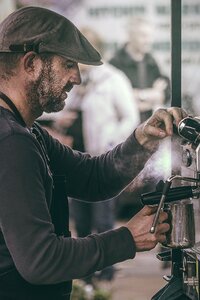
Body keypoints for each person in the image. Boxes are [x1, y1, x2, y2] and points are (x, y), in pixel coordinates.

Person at [0, 6, 187, 300]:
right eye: (67, 64)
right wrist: (126, 239)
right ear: (32, 64)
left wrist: (143, 139)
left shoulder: (29, 134)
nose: (77, 78)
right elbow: (41, 260)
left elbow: (94, 178)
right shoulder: (11, 141)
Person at [54, 27, 140, 284]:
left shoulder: (114, 79)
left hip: (101, 159)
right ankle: (87, 273)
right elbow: (61, 110)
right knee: (79, 220)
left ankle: (108, 270)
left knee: (103, 219)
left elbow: (131, 117)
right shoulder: (74, 81)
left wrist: (111, 141)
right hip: (74, 158)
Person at [109, 17, 170, 123]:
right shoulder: (115, 63)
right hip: (124, 130)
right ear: (130, 36)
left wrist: (140, 96)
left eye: (150, 36)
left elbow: (166, 92)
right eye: (143, 36)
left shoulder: (151, 62)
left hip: (149, 125)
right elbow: (114, 99)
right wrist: (151, 94)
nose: (149, 41)